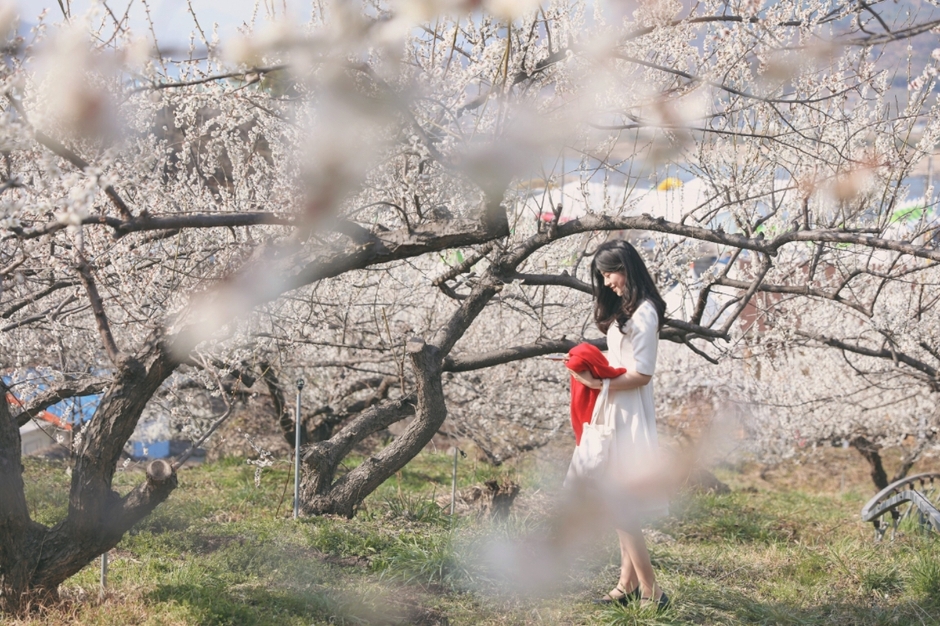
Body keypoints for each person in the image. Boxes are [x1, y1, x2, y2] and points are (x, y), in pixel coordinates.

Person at [566, 239, 670, 610]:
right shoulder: (630, 310)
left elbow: (642, 373)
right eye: (603, 275)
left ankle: (652, 590)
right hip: (615, 408)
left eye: (609, 273)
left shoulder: (644, 313)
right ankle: (626, 584)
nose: (607, 281)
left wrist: (599, 382)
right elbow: (624, 358)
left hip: (627, 411)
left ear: (625, 268)